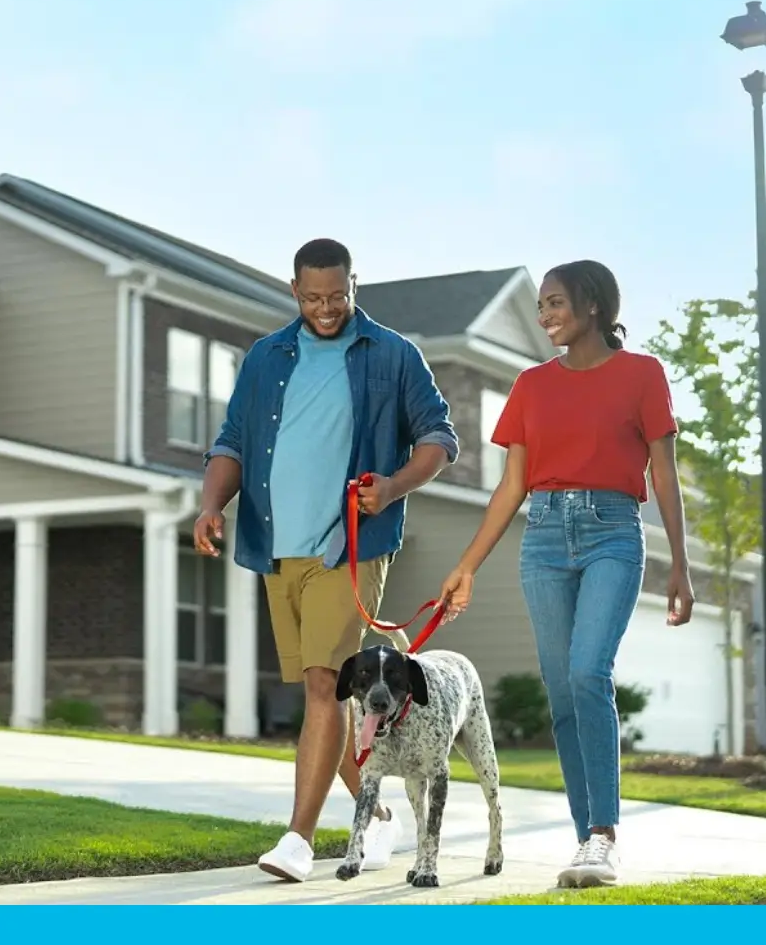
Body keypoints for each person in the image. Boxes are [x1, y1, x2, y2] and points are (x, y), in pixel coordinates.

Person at [193, 237, 459, 883]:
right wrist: (210, 506)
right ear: (294, 292)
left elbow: (438, 439)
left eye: (337, 295)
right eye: (313, 297)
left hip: (351, 548)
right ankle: (386, 820)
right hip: (276, 545)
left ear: (353, 284)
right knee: (331, 694)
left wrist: (391, 487)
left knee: (320, 682)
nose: (326, 307)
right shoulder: (265, 358)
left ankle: (299, 840)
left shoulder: (392, 355)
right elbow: (232, 442)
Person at [436, 259, 694, 889]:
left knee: (587, 673)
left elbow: (663, 475)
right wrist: (466, 565)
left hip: (612, 531)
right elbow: (511, 487)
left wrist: (680, 566)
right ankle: (585, 841)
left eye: (555, 303)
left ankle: (604, 836)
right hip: (544, 537)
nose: (546, 315)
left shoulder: (642, 374)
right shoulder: (530, 385)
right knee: (561, 693)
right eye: (543, 305)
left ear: (594, 307)